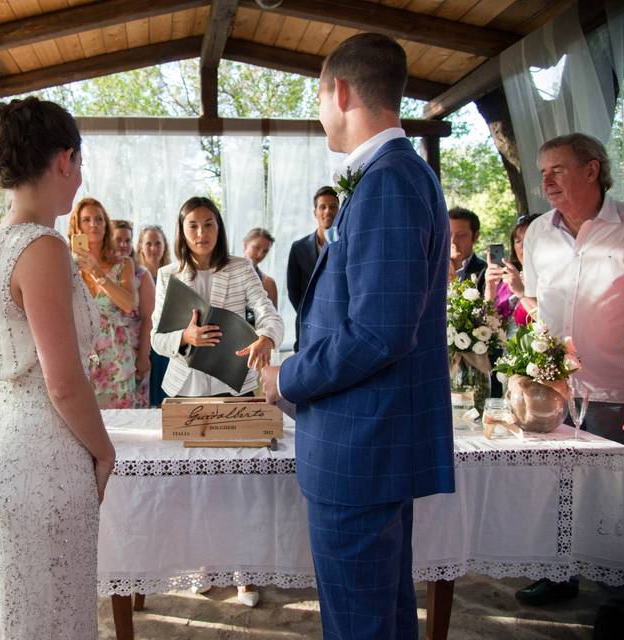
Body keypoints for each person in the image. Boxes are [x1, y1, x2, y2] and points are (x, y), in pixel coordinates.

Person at [259, 33, 455, 639]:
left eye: (318, 96)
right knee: (380, 616)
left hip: (361, 449)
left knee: (360, 626)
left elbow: (378, 331)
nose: (319, 112)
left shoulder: (388, 181)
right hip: (369, 442)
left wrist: (285, 375)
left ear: (339, 91)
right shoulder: (388, 175)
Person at [0, 96, 115, 639]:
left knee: (23, 618)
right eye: (79, 164)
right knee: (54, 618)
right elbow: (62, 381)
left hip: (7, 444)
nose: (80, 178)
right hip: (45, 461)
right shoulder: (42, 247)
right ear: (64, 160)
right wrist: (104, 451)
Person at [514, 133, 624, 631]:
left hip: (617, 389)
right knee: (556, 490)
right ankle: (560, 574)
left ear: (592, 170)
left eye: (557, 169)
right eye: (542, 171)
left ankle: (618, 598)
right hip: (554, 390)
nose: (546, 180)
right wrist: (534, 364)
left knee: (613, 498)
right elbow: (534, 302)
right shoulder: (537, 232)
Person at [151, 196, 284, 608]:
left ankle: (244, 571)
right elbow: (157, 339)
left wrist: (267, 337)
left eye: (208, 225)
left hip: (233, 385)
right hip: (187, 389)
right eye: (193, 226)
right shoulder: (167, 273)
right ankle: (205, 564)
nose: (201, 233)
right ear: (182, 229)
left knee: (238, 483)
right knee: (198, 486)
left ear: (218, 227)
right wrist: (185, 339)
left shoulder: (241, 268)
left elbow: (268, 312)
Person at [68, 198, 137, 409]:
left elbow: (129, 304)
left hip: (117, 356)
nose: (93, 224)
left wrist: (97, 273)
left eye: (99, 219)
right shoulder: (66, 265)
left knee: (125, 425)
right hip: (82, 354)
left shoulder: (123, 263)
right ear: (76, 227)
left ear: (106, 224)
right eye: (86, 220)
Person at [287, 186, 339, 351]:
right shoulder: (298, 247)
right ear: (315, 212)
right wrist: (309, 312)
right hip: (307, 327)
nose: (327, 211)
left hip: (339, 326)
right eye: (322, 206)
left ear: (339, 210)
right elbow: (293, 289)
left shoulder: (348, 244)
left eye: (333, 206)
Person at [113, 219, 155, 407]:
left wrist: (143, 357)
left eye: (128, 240)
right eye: (118, 239)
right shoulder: (98, 272)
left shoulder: (141, 275)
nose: (123, 245)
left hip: (134, 352)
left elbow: (148, 319)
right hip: (104, 353)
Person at [483, 214, 540, 328]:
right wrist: (491, 288)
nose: (523, 246)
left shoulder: (554, 277)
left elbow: (552, 323)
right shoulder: (507, 281)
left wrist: (521, 292)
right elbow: (489, 326)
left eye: (529, 238)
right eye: (518, 241)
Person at [136, 224, 171, 407]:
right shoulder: (135, 276)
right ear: (140, 246)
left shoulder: (174, 275)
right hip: (144, 345)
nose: (153, 248)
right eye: (148, 243)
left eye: (158, 243)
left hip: (169, 348)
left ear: (165, 246)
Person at [242, 227, 278, 328]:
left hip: (257, 339)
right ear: (245, 245)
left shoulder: (268, 283)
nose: (260, 255)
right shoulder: (226, 275)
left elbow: (273, 324)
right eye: (256, 248)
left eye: (265, 251)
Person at [448, 206, 486, 289]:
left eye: (461, 235)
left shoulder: (485, 272)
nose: (453, 241)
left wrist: (454, 284)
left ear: (475, 236)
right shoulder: (431, 267)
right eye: (448, 234)